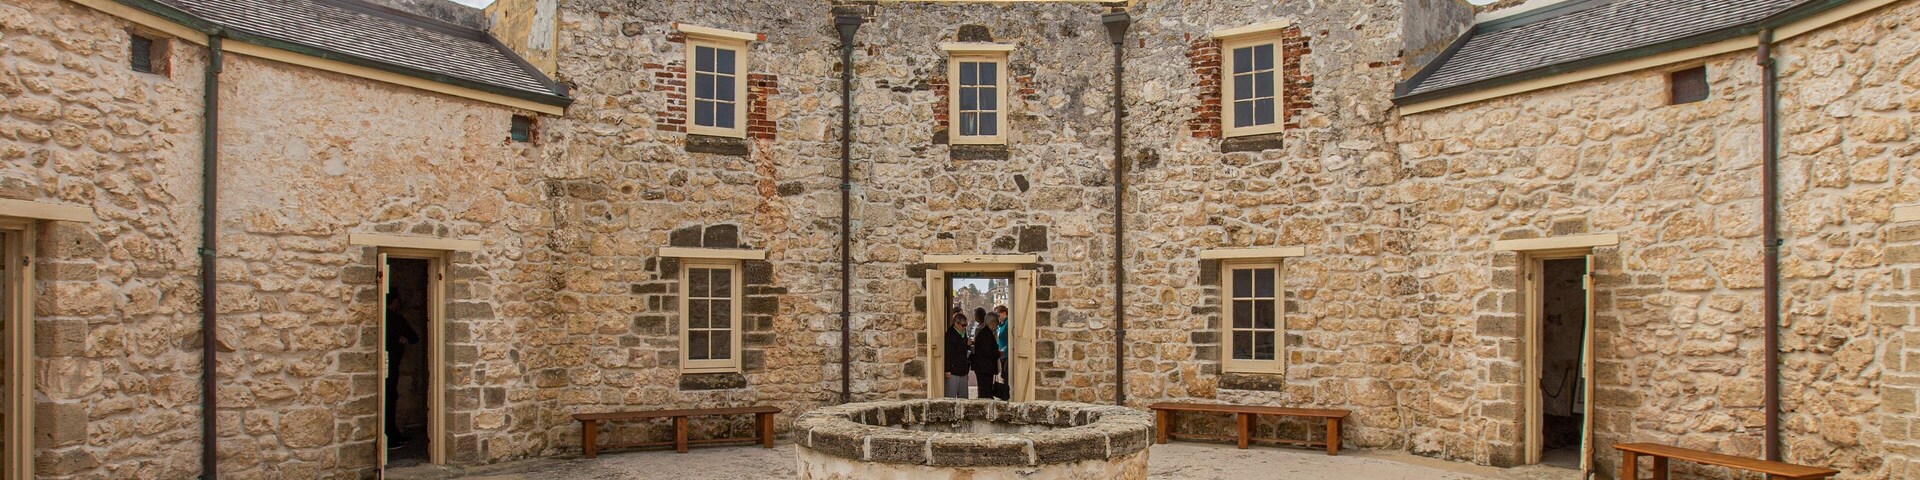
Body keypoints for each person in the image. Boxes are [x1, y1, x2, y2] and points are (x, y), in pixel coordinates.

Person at [384, 293, 422, 449]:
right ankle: (391, 436)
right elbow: (414, 337)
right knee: (390, 399)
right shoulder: (396, 319)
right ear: (394, 302)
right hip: (391, 365)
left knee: (386, 400)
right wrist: (404, 339)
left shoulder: (385, 318)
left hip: (386, 364)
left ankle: (389, 435)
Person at [969, 310, 1000, 399]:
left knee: (985, 391)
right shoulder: (986, 334)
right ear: (993, 322)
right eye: (996, 323)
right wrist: (998, 354)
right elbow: (988, 352)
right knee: (985, 393)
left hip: (984, 368)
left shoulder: (985, 332)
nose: (997, 325)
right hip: (984, 368)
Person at [944, 313, 970, 398]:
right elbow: (947, 353)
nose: (964, 327)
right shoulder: (950, 335)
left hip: (962, 369)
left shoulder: (963, 332)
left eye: (966, 325)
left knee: (963, 396)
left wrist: (967, 344)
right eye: (963, 325)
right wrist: (947, 369)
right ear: (956, 323)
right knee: (950, 396)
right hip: (953, 370)